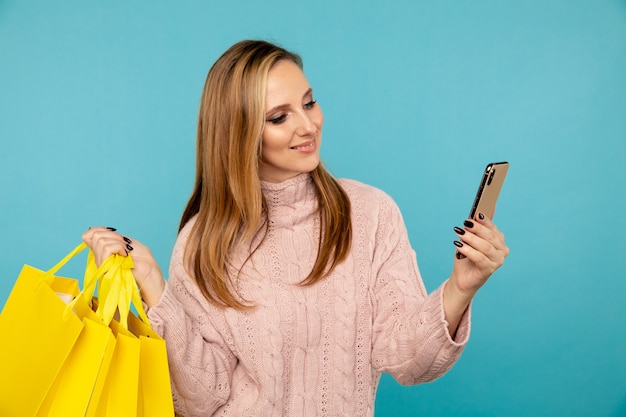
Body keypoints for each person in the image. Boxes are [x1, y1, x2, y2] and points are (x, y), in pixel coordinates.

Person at [83, 40, 509, 416]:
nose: (308, 126)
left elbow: (409, 360)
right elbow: (200, 400)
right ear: (239, 134)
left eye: (308, 102)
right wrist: (155, 286)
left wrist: (461, 287)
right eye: (278, 117)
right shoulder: (202, 243)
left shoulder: (371, 213)